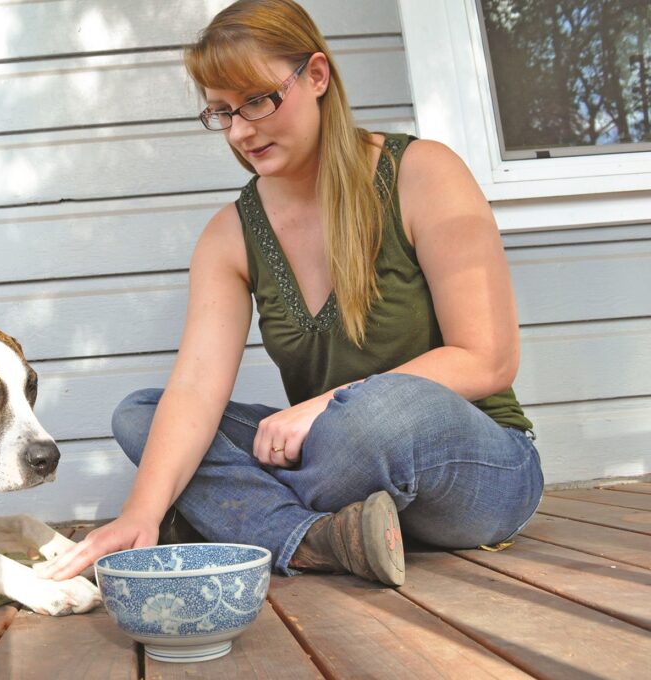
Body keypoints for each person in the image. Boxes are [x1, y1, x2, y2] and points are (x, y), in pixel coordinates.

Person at [36, 0, 543, 586]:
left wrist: (328, 406)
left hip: (476, 467)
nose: (242, 131)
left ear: (318, 76)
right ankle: (314, 540)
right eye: (222, 113)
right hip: (337, 459)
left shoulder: (422, 173)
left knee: (380, 412)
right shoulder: (229, 235)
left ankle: (241, 517)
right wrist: (140, 515)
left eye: (257, 100)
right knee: (144, 417)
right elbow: (197, 389)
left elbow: (489, 357)